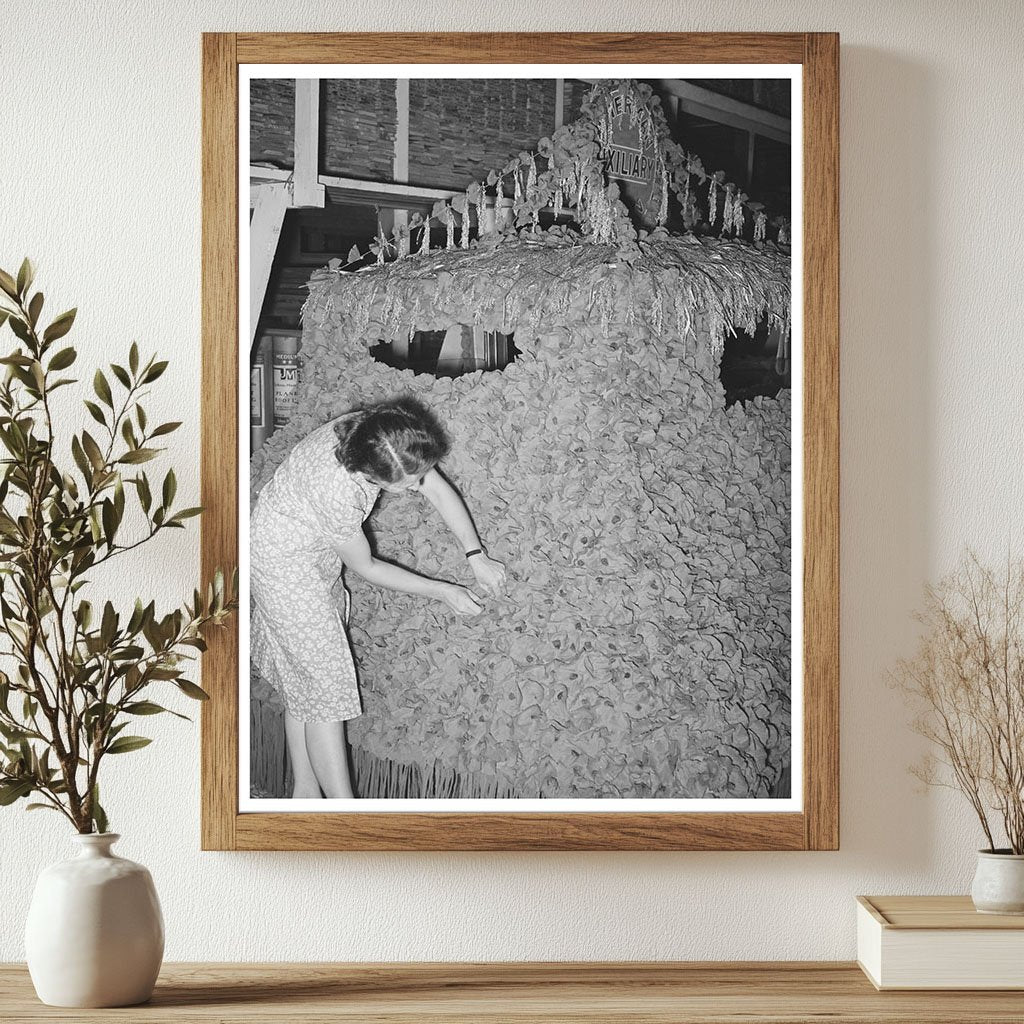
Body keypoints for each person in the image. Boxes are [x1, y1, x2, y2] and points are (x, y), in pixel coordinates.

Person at [250, 396, 506, 799]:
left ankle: (304, 793)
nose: (413, 490)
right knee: (326, 691)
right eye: (402, 487)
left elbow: (436, 489)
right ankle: (344, 813)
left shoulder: (380, 435)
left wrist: (476, 555)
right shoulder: (337, 489)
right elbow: (367, 567)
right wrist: (444, 591)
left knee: (307, 677)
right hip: (281, 561)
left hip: (309, 548)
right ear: (367, 474)